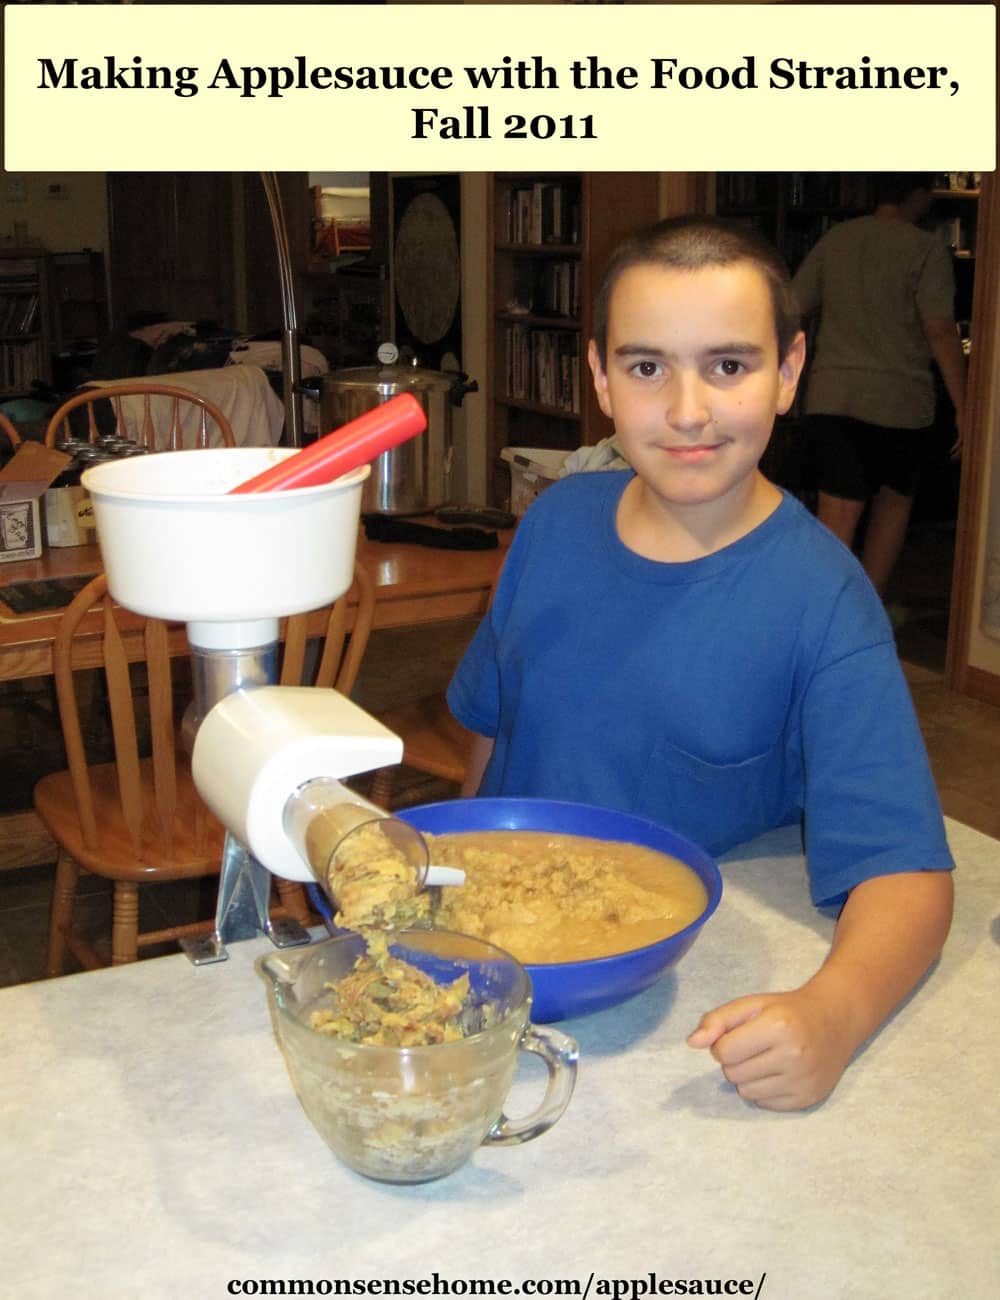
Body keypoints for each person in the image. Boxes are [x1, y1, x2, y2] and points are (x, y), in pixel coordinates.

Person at [446, 215, 954, 1112]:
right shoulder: (555, 525)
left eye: (729, 365)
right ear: (601, 377)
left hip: (653, 1015)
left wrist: (831, 1016)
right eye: (647, 367)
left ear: (790, 373)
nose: (688, 410)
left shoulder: (824, 601)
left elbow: (906, 874)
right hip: (482, 974)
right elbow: (490, 733)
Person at [792, 174, 967, 597]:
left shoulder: (838, 239)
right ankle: (868, 615)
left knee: (838, 511)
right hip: (900, 402)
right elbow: (941, 330)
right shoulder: (925, 248)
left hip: (833, 394)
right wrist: (965, 404)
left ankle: (817, 613)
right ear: (919, 195)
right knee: (893, 503)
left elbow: (792, 305)